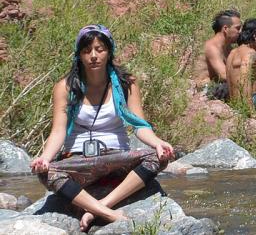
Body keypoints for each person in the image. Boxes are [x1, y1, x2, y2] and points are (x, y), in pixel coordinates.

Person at [29, 25, 175, 231]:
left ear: (109, 52)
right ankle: (107, 212)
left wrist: (158, 143)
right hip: (77, 159)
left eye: (100, 49)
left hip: (117, 158)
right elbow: (58, 131)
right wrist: (44, 158)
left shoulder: (127, 84)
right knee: (46, 172)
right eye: (87, 50)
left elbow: (140, 126)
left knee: (159, 156)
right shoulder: (66, 87)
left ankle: (98, 206)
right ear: (79, 55)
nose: (94, 56)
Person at [203, 9, 241, 100]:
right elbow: (225, 75)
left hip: (218, 88)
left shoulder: (228, 48)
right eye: (237, 28)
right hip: (205, 91)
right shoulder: (212, 47)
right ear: (225, 29)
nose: (240, 32)